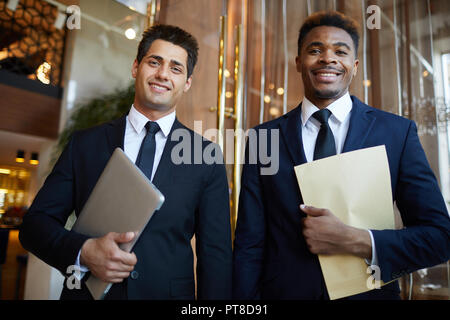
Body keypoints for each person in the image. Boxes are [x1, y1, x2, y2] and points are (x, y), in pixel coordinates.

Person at [232, 11, 450, 300]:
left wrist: (359, 240)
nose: (327, 58)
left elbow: (439, 238)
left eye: (340, 51)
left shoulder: (396, 133)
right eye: (315, 50)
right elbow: (249, 244)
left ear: (354, 65)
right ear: (298, 62)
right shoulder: (263, 138)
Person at [19, 24, 232, 300]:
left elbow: (215, 256)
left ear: (187, 83)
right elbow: (35, 226)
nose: (163, 74)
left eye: (176, 68)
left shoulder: (207, 156)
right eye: (154, 62)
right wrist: (84, 252)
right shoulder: (85, 144)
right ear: (135, 67)